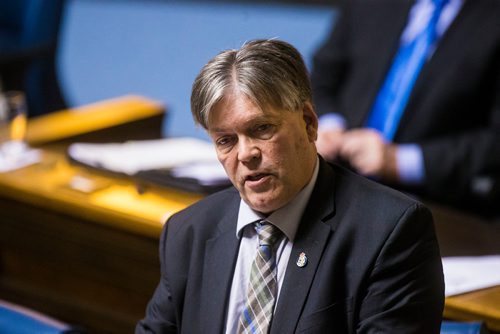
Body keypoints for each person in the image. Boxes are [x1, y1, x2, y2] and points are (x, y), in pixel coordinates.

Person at [136, 39, 444, 333]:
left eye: (262, 129)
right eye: (225, 141)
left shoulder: (391, 233)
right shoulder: (188, 233)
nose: (245, 154)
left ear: (309, 122)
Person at [312, 0, 500, 215]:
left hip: (440, 208)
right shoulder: (367, 5)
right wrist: (329, 123)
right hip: (336, 183)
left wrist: (399, 161)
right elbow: (323, 76)